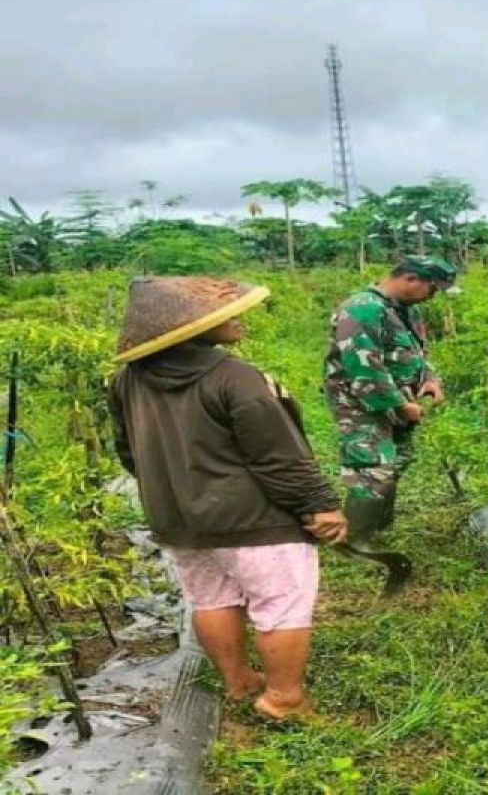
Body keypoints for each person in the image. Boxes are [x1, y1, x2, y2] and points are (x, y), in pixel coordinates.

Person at [108, 276, 346, 721]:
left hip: (181, 520)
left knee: (212, 598)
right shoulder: (234, 377)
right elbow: (278, 455)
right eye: (224, 313)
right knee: (281, 602)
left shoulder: (127, 380)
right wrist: (319, 504)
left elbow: (130, 452)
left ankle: (238, 683)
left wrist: (179, 491)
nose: (237, 317)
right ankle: (283, 699)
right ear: (189, 328)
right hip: (253, 520)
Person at [323, 256, 459, 594]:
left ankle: (376, 525)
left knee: (398, 459)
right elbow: (363, 371)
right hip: (363, 405)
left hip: (400, 401)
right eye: (433, 288)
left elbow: (417, 354)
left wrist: (429, 379)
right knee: (373, 468)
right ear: (411, 278)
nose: (434, 296)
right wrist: (399, 406)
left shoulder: (405, 310)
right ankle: (353, 539)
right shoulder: (362, 309)